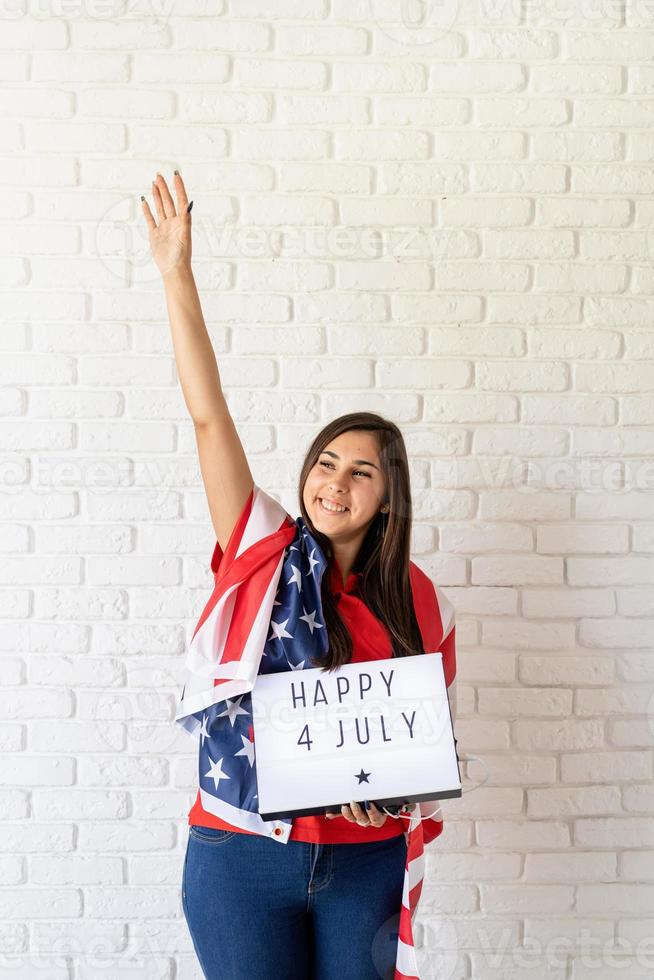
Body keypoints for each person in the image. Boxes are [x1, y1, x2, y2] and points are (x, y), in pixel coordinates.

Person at [142, 173, 457, 980]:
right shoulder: (261, 544)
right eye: (325, 463)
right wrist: (177, 271)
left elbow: (423, 746)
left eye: (361, 473)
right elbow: (209, 414)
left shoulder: (421, 601)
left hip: (363, 865)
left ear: (389, 500)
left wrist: (386, 794)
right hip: (241, 857)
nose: (335, 484)